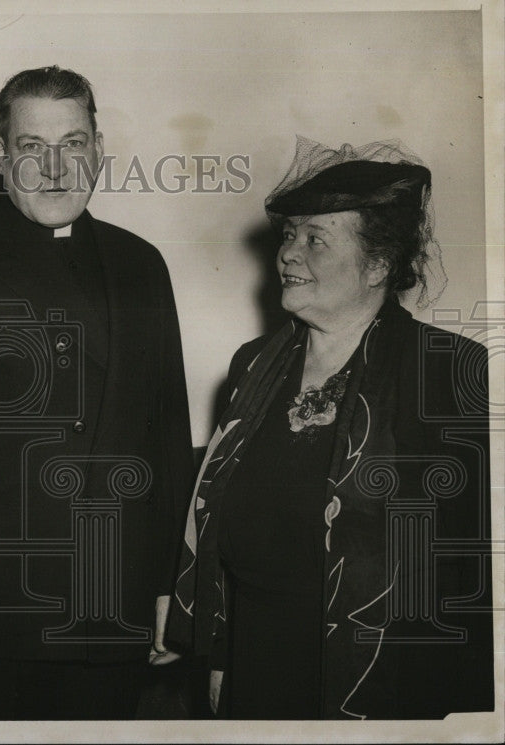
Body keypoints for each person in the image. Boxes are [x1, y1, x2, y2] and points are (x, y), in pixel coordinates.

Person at [0, 66, 195, 720]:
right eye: (32, 147)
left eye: (73, 144)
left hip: (118, 611)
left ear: (98, 150)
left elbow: (167, 437)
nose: (55, 167)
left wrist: (171, 588)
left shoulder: (143, 264)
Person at [161, 138, 494, 719]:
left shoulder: (446, 372)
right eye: (289, 235)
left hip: (380, 678)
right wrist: (217, 661)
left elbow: (473, 573)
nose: (290, 253)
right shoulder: (253, 365)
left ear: (379, 265)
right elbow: (217, 532)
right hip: (253, 663)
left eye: (316, 239)